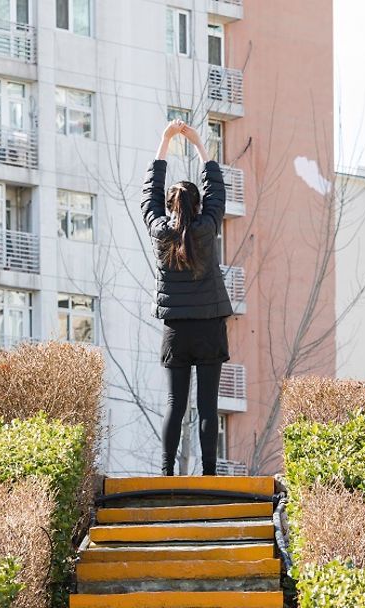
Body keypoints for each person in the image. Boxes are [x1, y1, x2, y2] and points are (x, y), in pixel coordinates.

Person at [142, 119, 233, 476]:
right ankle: (210, 475)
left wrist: (165, 141)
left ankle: (167, 473)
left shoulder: (160, 231)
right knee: (208, 406)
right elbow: (217, 190)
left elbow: (150, 195)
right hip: (210, 328)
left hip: (176, 332)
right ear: (198, 205)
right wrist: (199, 145)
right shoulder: (208, 227)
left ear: (170, 206)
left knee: (174, 404)